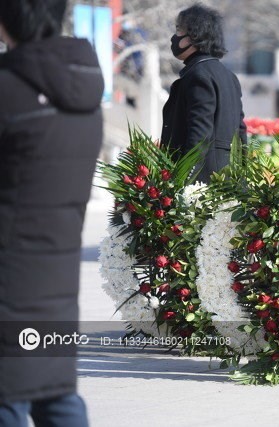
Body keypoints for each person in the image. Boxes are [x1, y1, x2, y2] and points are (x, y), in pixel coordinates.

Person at [0, 1, 103, 425]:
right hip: (56, 282)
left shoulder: (9, 87)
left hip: (8, 276)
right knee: (55, 394)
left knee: (9, 398)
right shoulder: (83, 93)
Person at [161, 5, 247, 183]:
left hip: (201, 184)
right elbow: (241, 133)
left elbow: (199, 135)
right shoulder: (228, 76)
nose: (174, 38)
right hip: (226, 179)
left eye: (178, 31)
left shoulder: (198, 75)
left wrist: (182, 181)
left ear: (194, 36)